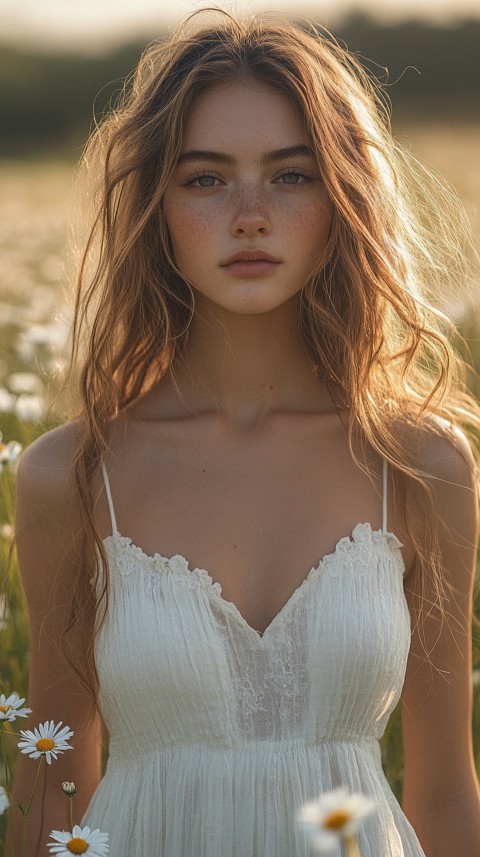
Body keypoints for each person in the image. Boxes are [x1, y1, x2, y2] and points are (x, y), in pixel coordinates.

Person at [8, 8, 480, 857]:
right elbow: (51, 793)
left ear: (343, 198)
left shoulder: (419, 464)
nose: (251, 213)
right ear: (156, 205)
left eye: (292, 176)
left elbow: (444, 794)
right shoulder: (73, 473)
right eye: (206, 178)